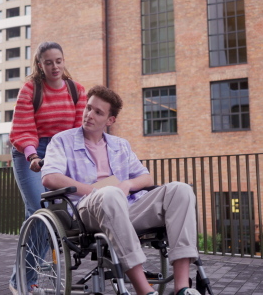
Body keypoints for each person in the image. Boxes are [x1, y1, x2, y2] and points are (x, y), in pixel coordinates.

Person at [41, 85, 201, 295]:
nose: (89, 115)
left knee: (180, 190)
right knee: (110, 194)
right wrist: (93, 191)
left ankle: (182, 288)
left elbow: (146, 177)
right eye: (88, 108)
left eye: (98, 112)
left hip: (126, 207)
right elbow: (50, 177)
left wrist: (127, 185)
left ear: (110, 120)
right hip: (87, 211)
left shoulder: (121, 145)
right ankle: (144, 290)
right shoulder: (63, 140)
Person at [8, 41, 87, 294]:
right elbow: (22, 129)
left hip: (60, 152)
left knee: (55, 219)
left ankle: (20, 278)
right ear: (40, 65)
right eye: (48, 62)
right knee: (38, 212)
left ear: (64, 61)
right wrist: (32, 155)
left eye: (58, 61)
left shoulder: (76, 90)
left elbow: (78, 132)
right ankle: (24, 281)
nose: (54, 66)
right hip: (29, 152)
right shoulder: (31, 90)